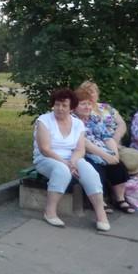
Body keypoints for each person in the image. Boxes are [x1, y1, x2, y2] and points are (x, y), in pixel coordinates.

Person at [32, 88, 110, 231]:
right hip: (46, 158)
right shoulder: (44, 120)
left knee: (90, 172)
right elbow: (45, 149)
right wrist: (66, 164)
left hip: (71, 158)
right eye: (57, 104)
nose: (60, 108)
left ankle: (101, 214)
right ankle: (50, 212)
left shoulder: (77, 124)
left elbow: (80, 149)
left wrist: (73, 162)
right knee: (62, 171)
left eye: (64, 105)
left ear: (71, 108)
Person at [72, 89, 134, 214]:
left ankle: (120, 199)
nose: (87, 107)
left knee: (118, 165)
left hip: (102, 150)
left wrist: (115, 155)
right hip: (84, 152)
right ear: (75, 106)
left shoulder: (94, 117)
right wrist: (106, 156)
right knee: (96, 168)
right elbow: (85, 143)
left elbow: (107, 137)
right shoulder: (73, 120)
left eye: (89, 104)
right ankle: (100, 202)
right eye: (83, 104)